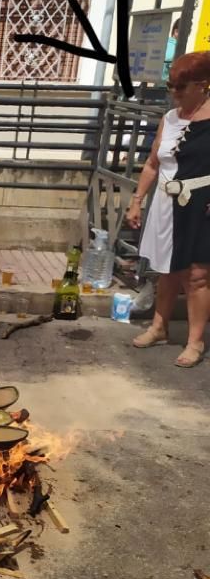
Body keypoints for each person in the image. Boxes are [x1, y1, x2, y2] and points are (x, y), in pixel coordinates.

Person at [125, 51, 210, 367]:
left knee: (198, 275)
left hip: (200, 202)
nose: (174, 93)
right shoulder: (170, 119)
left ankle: (195, 341)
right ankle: (159, 327)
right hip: (165, 201)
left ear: (202, 86)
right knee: (167, 268)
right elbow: (151, 164)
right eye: (171, 86)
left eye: (181, 87)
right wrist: (137, 200)